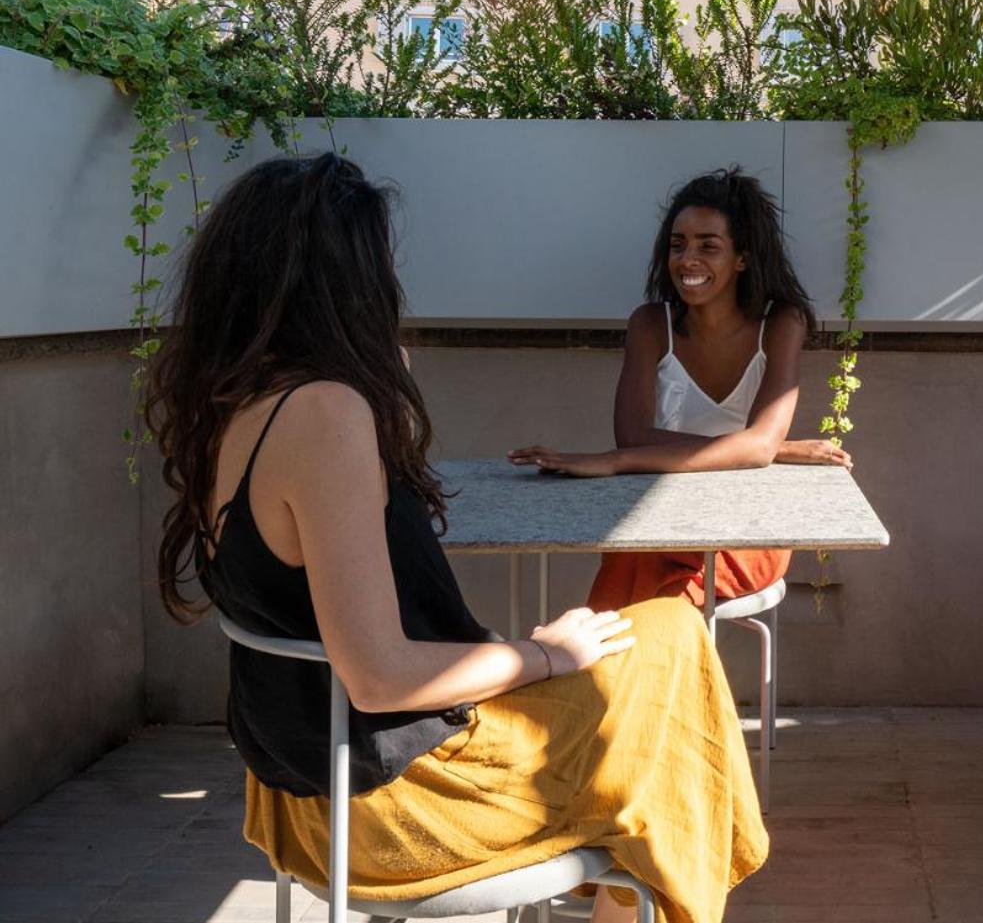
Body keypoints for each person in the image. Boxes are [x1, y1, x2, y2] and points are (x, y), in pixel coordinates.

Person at [149, 154, 765, 923]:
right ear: (344, 281)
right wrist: (544, 654)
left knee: (659, 656)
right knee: (670, 650)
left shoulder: (235, 404)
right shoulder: (323, 413)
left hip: (305, 792)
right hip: (401, 805)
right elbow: (378, 677)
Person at [507, 167, 850, 612]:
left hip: (750, 526)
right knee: (640, 561)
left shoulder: (782, 323)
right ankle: (624, 657)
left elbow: (750, 447)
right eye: (678, 245)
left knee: (657, 582)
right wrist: (769, 449)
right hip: (663, 517)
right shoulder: (651, 324)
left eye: (708, 246)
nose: (687, 259)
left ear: (742, 257)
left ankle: (598, 657)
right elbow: (634, 436)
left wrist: (613, 462)